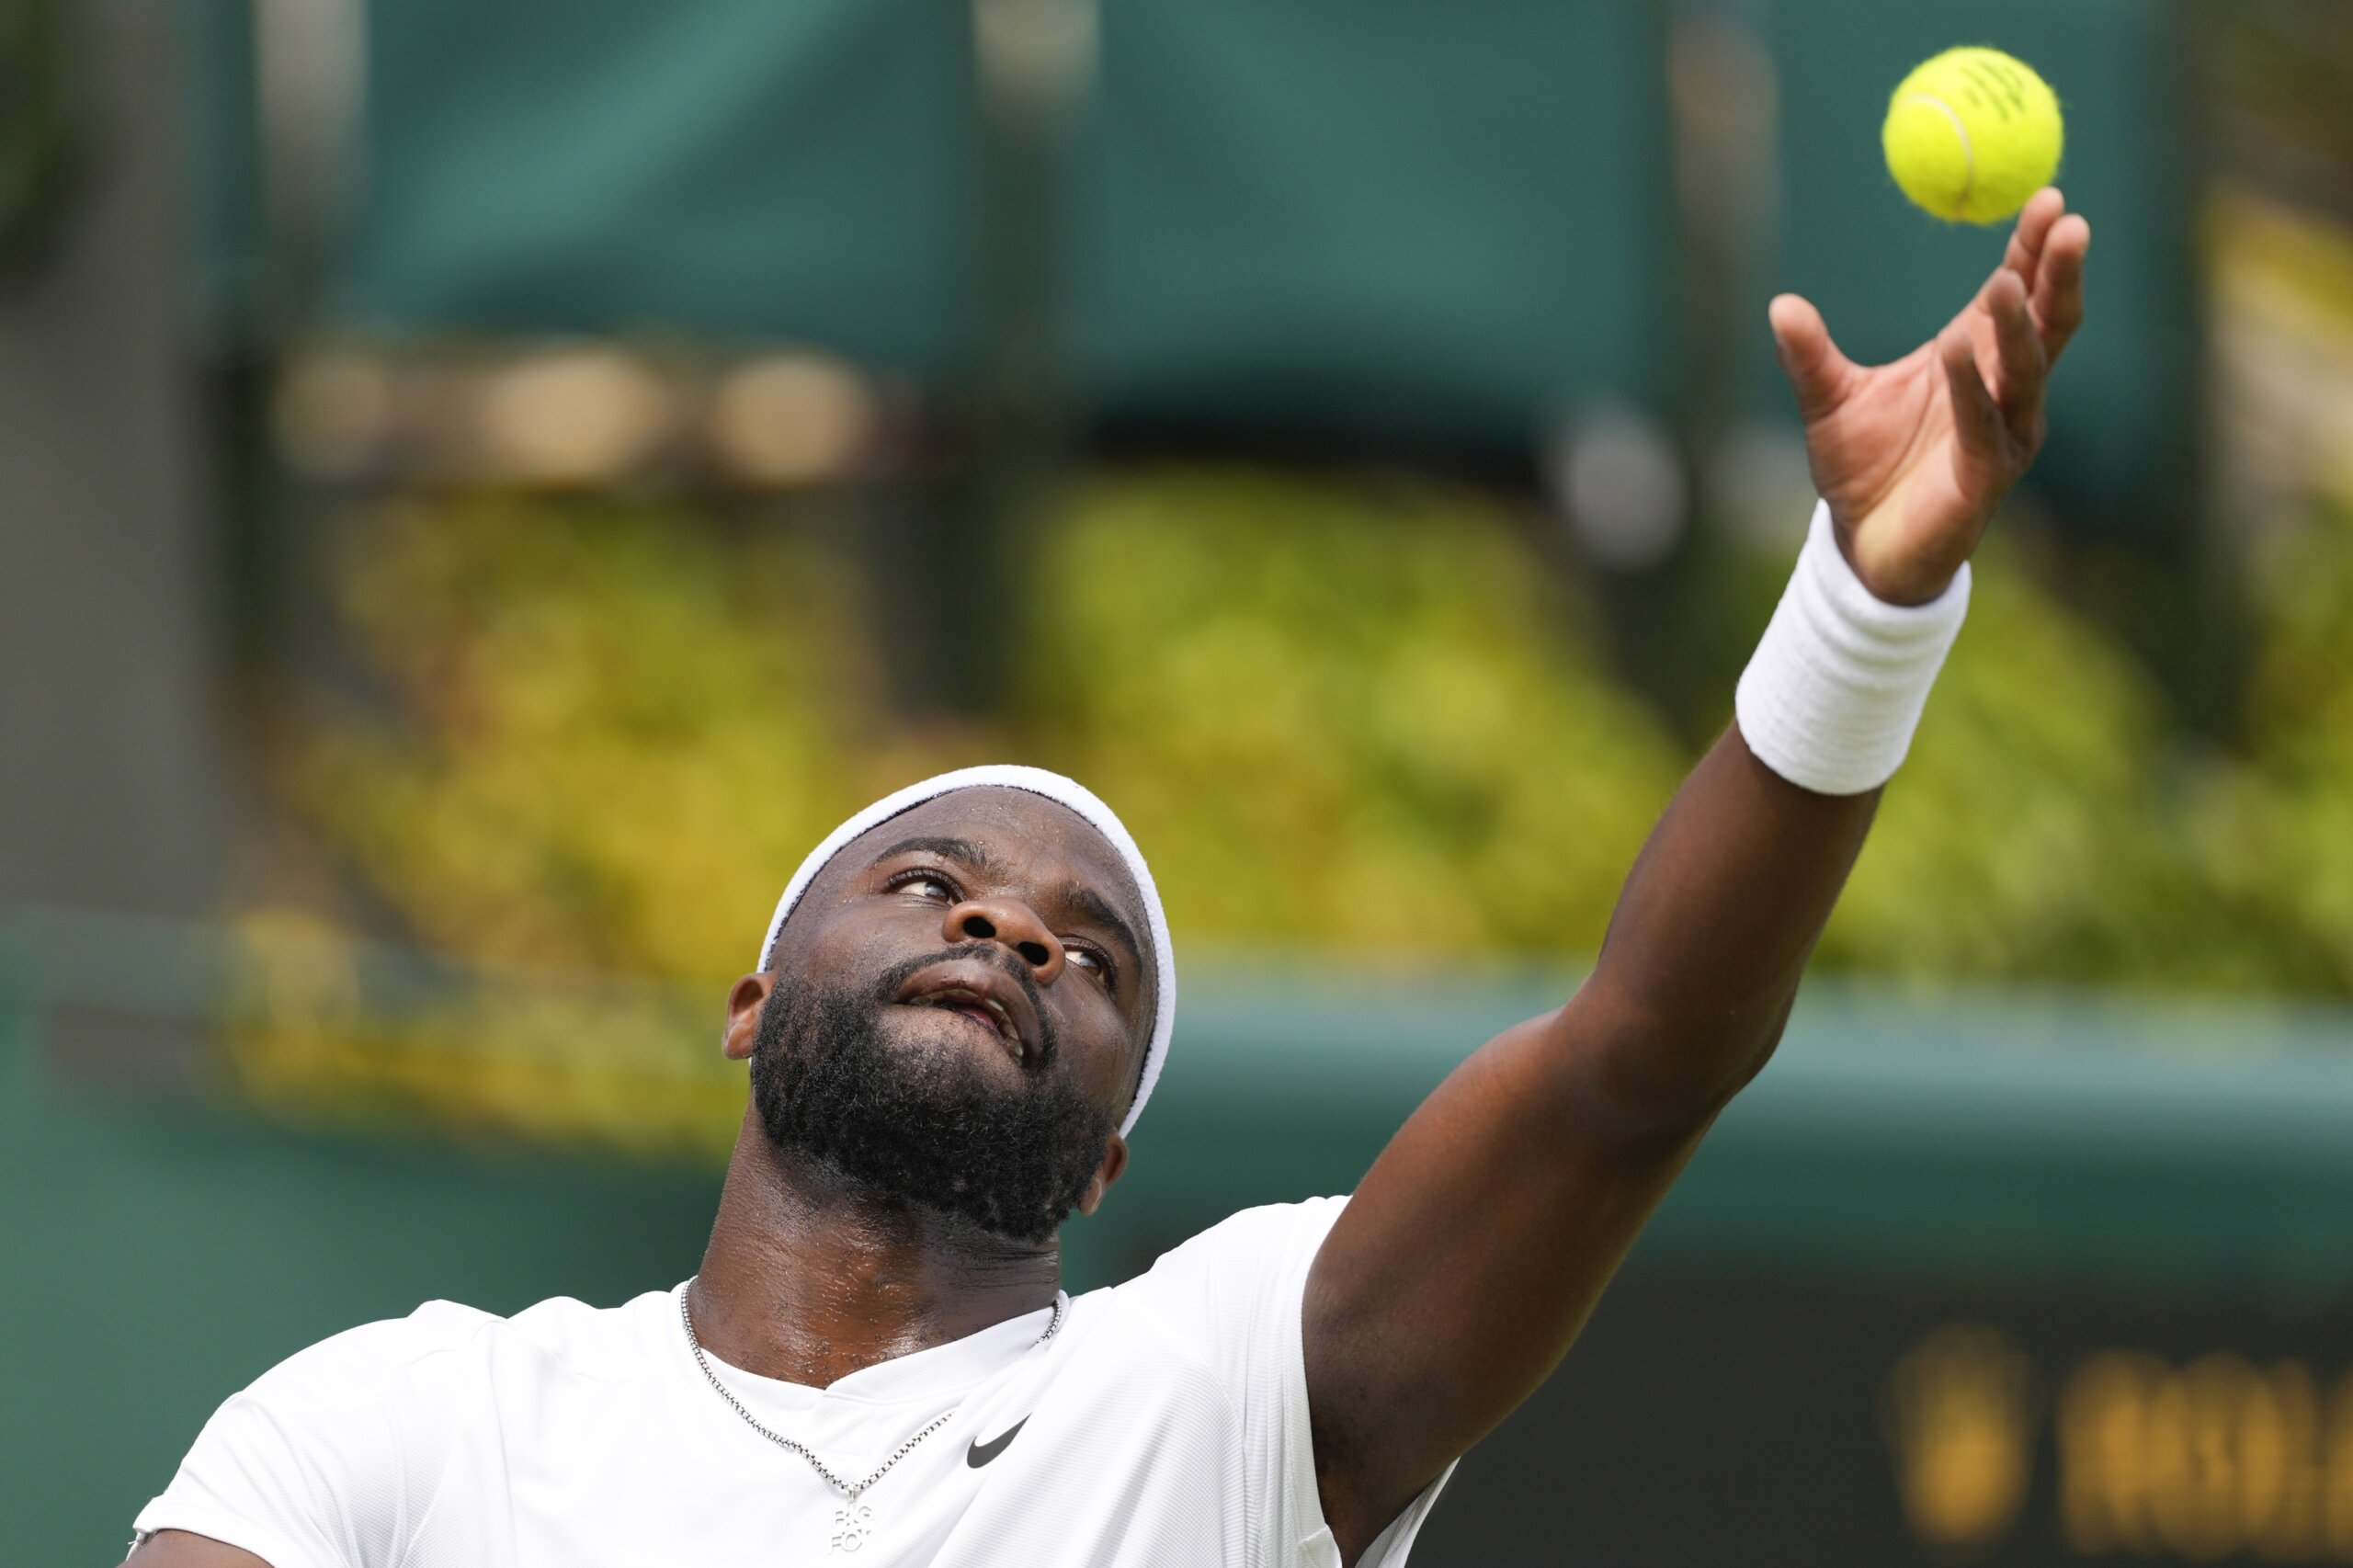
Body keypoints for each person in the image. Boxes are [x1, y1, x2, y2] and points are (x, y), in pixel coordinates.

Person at [127, 189, 2090, 1568]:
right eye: (927, 882)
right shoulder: (408, 1420)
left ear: (1100, 1170)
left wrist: (1860, 604)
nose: (1008, 928)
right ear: (750, 1002)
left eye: (1092, 962)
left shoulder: (1229, 1390)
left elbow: (1637, 1060)